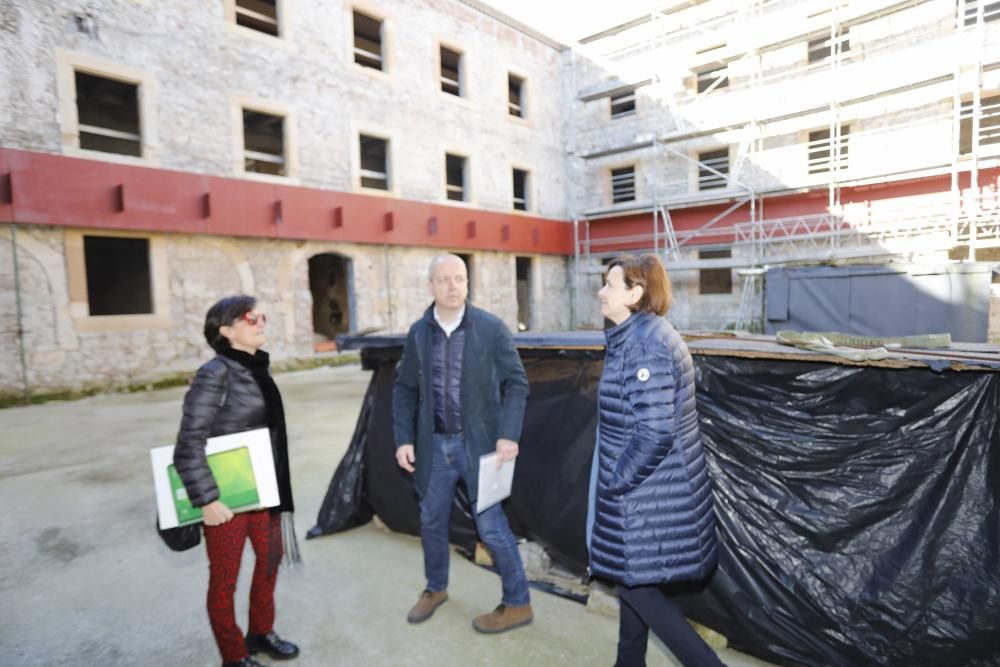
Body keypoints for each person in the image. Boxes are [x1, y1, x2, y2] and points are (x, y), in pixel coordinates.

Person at [588, 254, 725, 667]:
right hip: (649, 492)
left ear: (635, 293)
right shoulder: (636, 335)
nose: (601, 292)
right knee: (634, 577)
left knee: (635, 587)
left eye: (610, 285)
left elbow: (654, 432)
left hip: (645, 496)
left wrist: (615, 480)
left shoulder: (646, 345)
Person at [393, 253, 533, 634]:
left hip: (481, 448)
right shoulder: (419, 332)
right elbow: (404, 388)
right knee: (431, 520)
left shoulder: (490, 328)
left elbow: (517, 383)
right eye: (444, 280)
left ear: (468, 283)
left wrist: (508, 434)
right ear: (431, 286)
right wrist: (404, 438)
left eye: (460, 278)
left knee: (491, 527)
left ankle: (518, 603)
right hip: (434, 447)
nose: (453, 286)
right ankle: (435, 588)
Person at [174, 295, 300, 667]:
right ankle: (233, 655)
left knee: (268, 563)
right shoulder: (216, 373)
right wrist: (207, 500)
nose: (260, 322)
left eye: (261, 316)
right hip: (228, 499)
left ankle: (260, 632)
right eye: (250, 317)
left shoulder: (256, 369)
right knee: (225, 580)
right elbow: (189, 442)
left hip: (266, 491)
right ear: (226, 331)